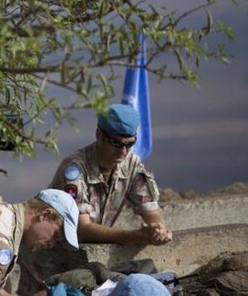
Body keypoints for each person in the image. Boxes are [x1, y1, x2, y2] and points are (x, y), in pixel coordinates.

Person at [49, 103, 172, 245]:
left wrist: (157, 228)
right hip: (52, 254)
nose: (124, 151)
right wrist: (136, 236)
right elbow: (81, 229)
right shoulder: (75, 169)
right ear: (99, 135)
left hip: (87, 252)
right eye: (116, 143)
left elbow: (150, 209)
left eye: (130, 144)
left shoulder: (130, 163)